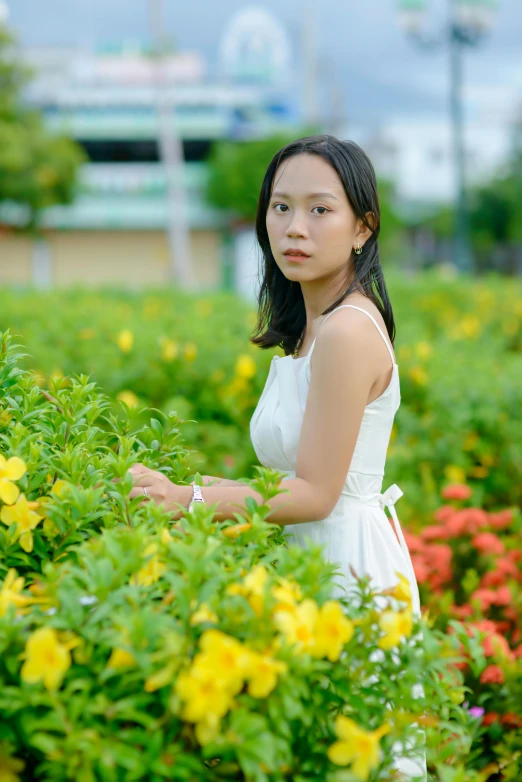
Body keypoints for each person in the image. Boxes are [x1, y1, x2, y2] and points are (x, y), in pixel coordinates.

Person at [127, 134, 426, 778]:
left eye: (320, 209)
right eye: (280, 207)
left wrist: (191, 501)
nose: (295, 227)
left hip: (345, 570)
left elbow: (318, 494)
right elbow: (302, 481)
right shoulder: (316, 326)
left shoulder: (347, 331)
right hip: (312, 561)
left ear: (361, 228)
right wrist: (197, 487)